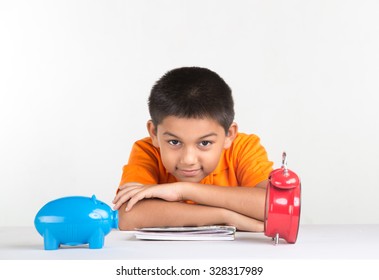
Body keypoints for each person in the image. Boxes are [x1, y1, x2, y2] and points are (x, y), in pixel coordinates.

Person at [113, 67, 273, 232]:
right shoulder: (148, 151)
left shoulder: (243, 148)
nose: (188, 160)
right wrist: (225, 217)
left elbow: (272, 206)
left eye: (204, 143)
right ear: (154, 133)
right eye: (174, 142)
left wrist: (183, 190)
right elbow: (127, 216)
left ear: (229, 135)